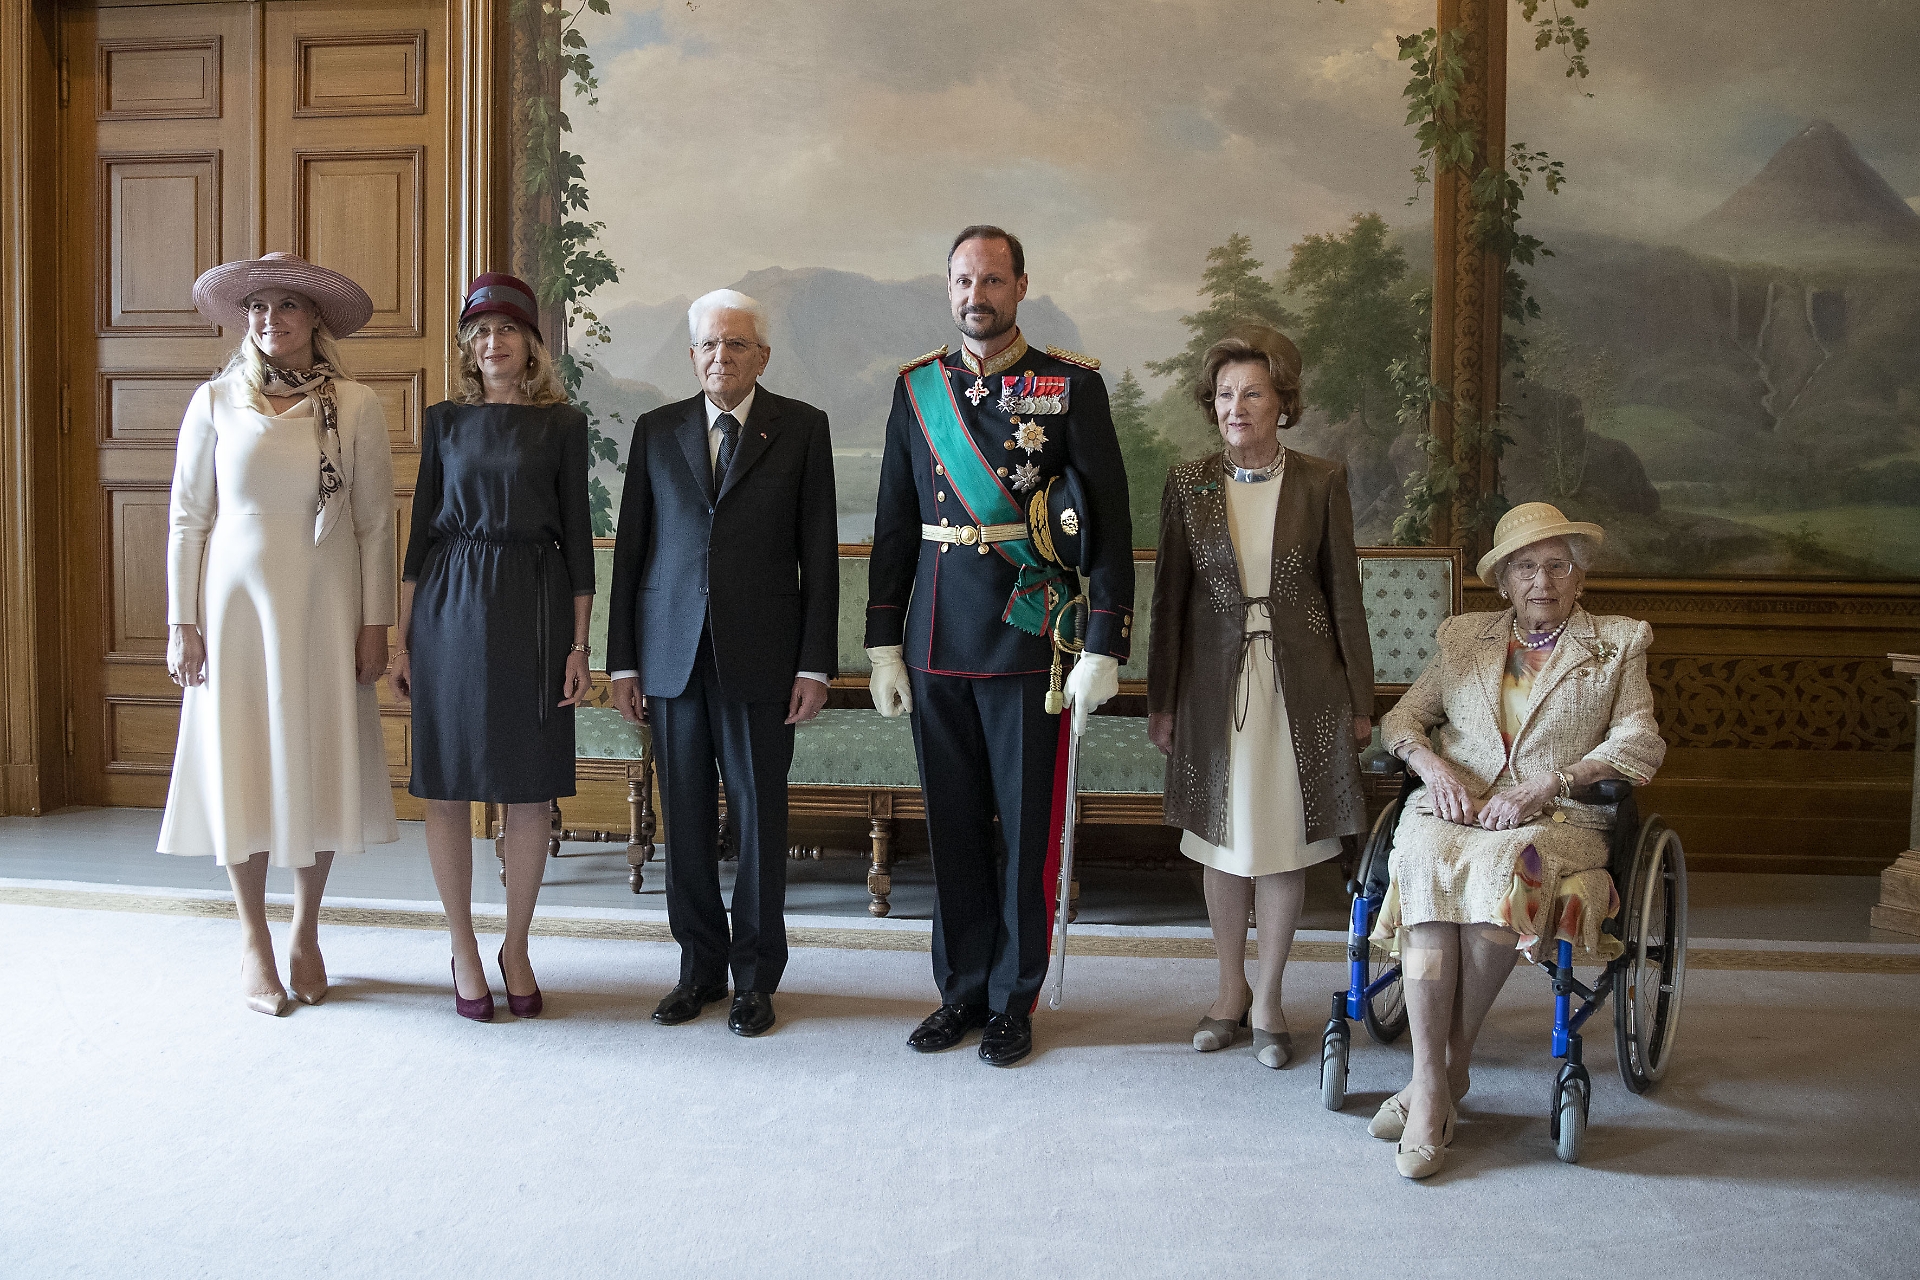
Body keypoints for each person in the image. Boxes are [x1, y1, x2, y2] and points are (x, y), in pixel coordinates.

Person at [866, 225, 1134, 1067]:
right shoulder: (916, 391)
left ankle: (1014, 996)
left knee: (1023, 830)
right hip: (939, 637)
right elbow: (890, 530)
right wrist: (883, 645)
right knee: (950, 831)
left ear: (1021, 286)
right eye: (960, 281)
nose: (974, 296)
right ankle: (961, 990)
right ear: (947, 289)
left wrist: (1105, 642)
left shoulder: (1069, 386)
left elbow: (1111, 525)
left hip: (1029, 640)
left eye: (990, 281)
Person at [1368, 501, 1666, 1178]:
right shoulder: (1464, 639)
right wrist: (1432, 766)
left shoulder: (1617, 644)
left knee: (1506, 867)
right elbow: (1404, 719)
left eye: (1557, 564)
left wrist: (1550, 783)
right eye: (1526, 566)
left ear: (1578, 576)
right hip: (1454, 806)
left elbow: (1638, 740)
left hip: (1554, 816)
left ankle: (1445, 1072)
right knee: (1421, 866)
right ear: (1503, 581)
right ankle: (1435, 1080)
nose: (1543, 580)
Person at [161, 252, 396, 1016]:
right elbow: (189, 518)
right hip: (233, 613)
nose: (271, 320)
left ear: (315, 320)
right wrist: (180, 622)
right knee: (243, 762)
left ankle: (305, 929)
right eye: (257, 308)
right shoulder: (214, 401)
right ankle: (254, 937)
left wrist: (376, 625)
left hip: (323, 606)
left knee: (316, 757)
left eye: (287, 307)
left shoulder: (355, 405)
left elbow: (374, 523)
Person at [607, 289, 838, 1038]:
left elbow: (820, 560)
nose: (721, 357)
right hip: (671, 659)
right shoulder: (657, 431)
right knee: (685, 825)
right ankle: (698, 971)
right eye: (708, 345)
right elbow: (633, 553)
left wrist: (814, 666)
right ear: (693, 354)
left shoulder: (802, 429)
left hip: (764, 661)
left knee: (761, 823)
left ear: (761, 356)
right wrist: (622, 665)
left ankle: (755, 980)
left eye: (736, 345)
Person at [1146, 328, 1374, 1069]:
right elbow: (1169, 604)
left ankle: (1272, 998)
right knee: (1220, 840)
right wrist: (1162, 701)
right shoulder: (1189, 483)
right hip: (1212, 691)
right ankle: (1227, 992)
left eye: (1251, 393)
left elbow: (1345, 598)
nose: (1234, 407)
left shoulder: (1320, 481)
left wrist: (1360, 699)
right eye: (1223, 395)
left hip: (1298, 691)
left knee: (1282, 844)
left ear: (1283, 402)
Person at [390, 273, 594, 1022]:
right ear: (468, 348)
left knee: (529, 783)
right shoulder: (443, 422)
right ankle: (463, 946)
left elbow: (579, 544)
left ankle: (515, 943)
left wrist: (579, 645)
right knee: (445, 781)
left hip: (534, 605)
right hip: (449, 605)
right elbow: (418, 541)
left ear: (531, 345)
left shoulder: (563, 426)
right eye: (478, 333)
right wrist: (403, 642)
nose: (492, 342)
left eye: (506, 330)